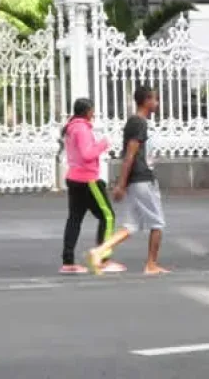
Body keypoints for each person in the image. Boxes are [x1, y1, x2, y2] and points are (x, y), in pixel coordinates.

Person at [87, 83, 169, 276]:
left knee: (131, 225)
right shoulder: (139, 122)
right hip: (142, 179)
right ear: (147, 101)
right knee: (157, 224)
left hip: (136, 179)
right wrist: (121, 184)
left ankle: (99, 251)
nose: (157, 103)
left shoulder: (137, 122)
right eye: (155, 99)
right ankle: (151, 265)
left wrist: (124, 182)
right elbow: (130, 154)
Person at [59, 98, 124, 275]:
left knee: (74, 219)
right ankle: (103, 259)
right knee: (108, 216)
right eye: (92, 110)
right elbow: (87, 154)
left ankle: (68, 262)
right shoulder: (82, 129)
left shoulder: (72, 127)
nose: (93, 114)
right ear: (87, 111)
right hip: (88, 180)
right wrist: (103, 144)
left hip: (74, 178)